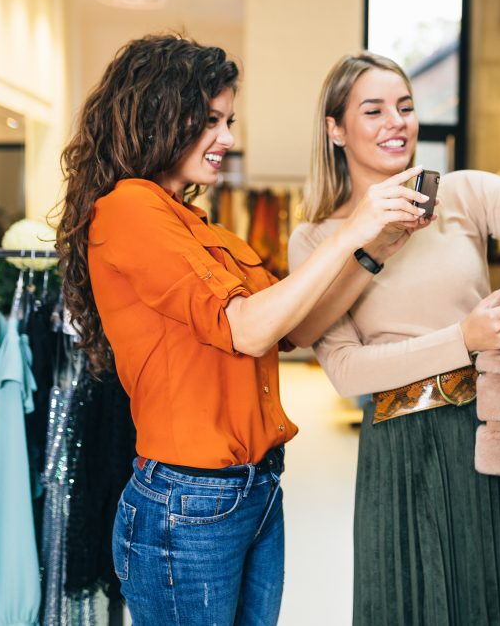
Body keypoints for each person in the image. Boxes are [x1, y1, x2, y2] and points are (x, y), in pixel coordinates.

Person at [55, 35, 431, 626]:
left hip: (251, 491)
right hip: (189, 500)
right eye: (209, 120)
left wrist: (374, 251)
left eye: (228, 120)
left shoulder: (198, 226)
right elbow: (247, 330)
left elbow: (293, 327)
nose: (227, 139)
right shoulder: (127, 209)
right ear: (158, 114)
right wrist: (349, 230)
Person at [288, 52, 500, 626]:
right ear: (335, 129)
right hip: (401, 451)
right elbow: (345, 370)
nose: (397, 122)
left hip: (493, 432)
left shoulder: (463, 196)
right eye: (373, 110)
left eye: (406, 107)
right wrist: (462, 339)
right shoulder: (317, 238)